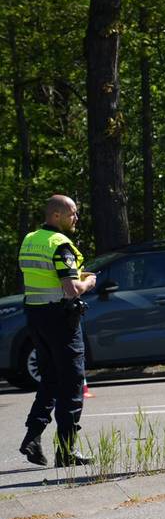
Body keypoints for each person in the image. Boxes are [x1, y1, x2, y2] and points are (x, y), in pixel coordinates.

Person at [17, 195, 96, 467]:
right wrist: (89, 282)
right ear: (57, 216)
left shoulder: (30, 239)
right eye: (73, 213)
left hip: (36, 317)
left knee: (50, 379)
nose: (76, 218)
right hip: (61, 319)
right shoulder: (60, 245)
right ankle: (66, 451)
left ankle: (33, 436)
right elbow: (71, 288)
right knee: (73, 383)